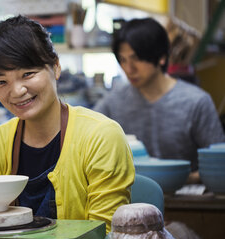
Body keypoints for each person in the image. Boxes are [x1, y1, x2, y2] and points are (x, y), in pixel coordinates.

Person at [0, 15, 134, 233]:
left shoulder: (101, 136)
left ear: (55, 67)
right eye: (1, 82)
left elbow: (106, 236)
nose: (17, 91)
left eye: (28, 74)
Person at [93, 17, 225, 180]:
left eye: (137, 58)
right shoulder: (112, 103)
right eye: (123, 60)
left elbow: (220, 164)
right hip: (129, 199)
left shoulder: (196, 102)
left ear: (161, 57)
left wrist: (183, 178)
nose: (129, 69)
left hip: (186, 198)